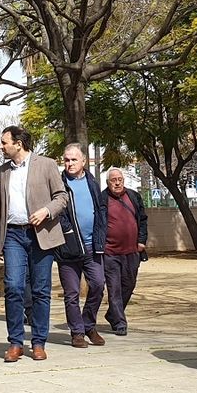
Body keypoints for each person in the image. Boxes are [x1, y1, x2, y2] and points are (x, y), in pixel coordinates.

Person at [0, 125, 68, 362]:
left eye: (4, 142)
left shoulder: (46, 165)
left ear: (18, 143)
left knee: (40, 290)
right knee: (13, 287)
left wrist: (46, 211)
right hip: (13, 235)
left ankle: (38, 342)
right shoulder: (2, 171)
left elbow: (62, 197)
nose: (1, 146)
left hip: (40, 234)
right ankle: (15, 342)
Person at [56, 143, 107, 348]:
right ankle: (77, 332)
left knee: (98, 284)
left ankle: (88, 324)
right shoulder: (59, 183)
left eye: (74, 159)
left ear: (84, 161)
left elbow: (100, 210)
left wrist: (101, 235)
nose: (69, 163)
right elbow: (57, 212)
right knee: (72, 293)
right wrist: (67, 231)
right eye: (66, 160)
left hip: (92, 246)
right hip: (68, 248)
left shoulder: (93, 182)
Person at [101, 168, 147, 336]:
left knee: (129, 284)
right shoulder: (102, 198)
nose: (117, 182)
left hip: (132, 251)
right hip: (110, 252)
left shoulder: (133, 197)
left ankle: (112, 314)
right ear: (108, 183)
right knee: (114, 288)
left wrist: (142, 240)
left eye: (119, 179)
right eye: (113, 180)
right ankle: (120, 322)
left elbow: (142, 219)